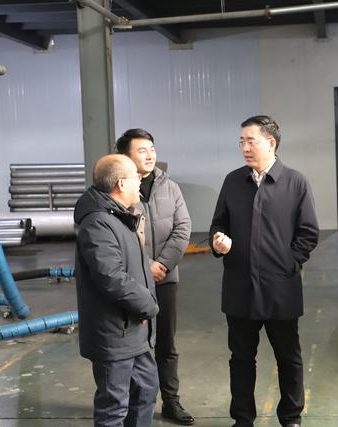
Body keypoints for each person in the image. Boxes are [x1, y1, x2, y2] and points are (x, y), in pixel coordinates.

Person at [209, 115, 319, 427]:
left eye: (250, 141)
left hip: (280, 288)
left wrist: (289, 264)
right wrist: (218, 241)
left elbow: (308, 233)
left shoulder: (295, 182)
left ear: (270, 143)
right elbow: (219, 223)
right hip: (240, 287)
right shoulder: (233, 181)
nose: (244, 147)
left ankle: (291, 418)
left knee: (289, 357)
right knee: (241, 358)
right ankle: (242, 419)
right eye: (241, 141)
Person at [116, 128, 194, 425]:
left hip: (166, 278)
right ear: (126, 156)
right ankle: (132, 405)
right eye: (142, 150)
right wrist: (143, 265)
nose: (149, 155)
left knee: (166, 343)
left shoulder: (170, 186)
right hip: (132, 280)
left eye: (151, 149)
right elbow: (116, 236)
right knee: (133, 344)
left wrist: (162, 264)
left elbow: (183, 228)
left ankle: (171, 402)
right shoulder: (118, 189)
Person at [74, 154, 160, 427]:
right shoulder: (98, 222)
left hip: (133, 331)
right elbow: (111, 277)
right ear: (121, 183)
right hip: (114, 334)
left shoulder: (120, 216)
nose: (140, 181)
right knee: (114, 409)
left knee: (145, 391)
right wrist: (147, 305)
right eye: (136, 177)